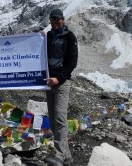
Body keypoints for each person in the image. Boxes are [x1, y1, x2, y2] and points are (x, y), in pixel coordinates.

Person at [44, 9, 78, 166]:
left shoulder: (69, 37)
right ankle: (67, 156)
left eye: (57, 21)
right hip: (48, 82)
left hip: (62, 83)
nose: (55, 23)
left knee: (60, 117)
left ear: (63, 20)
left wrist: (59, 78)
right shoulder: (48, 36)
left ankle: (59, 155)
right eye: (52, 21)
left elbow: (72, 62)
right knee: (52, 119)